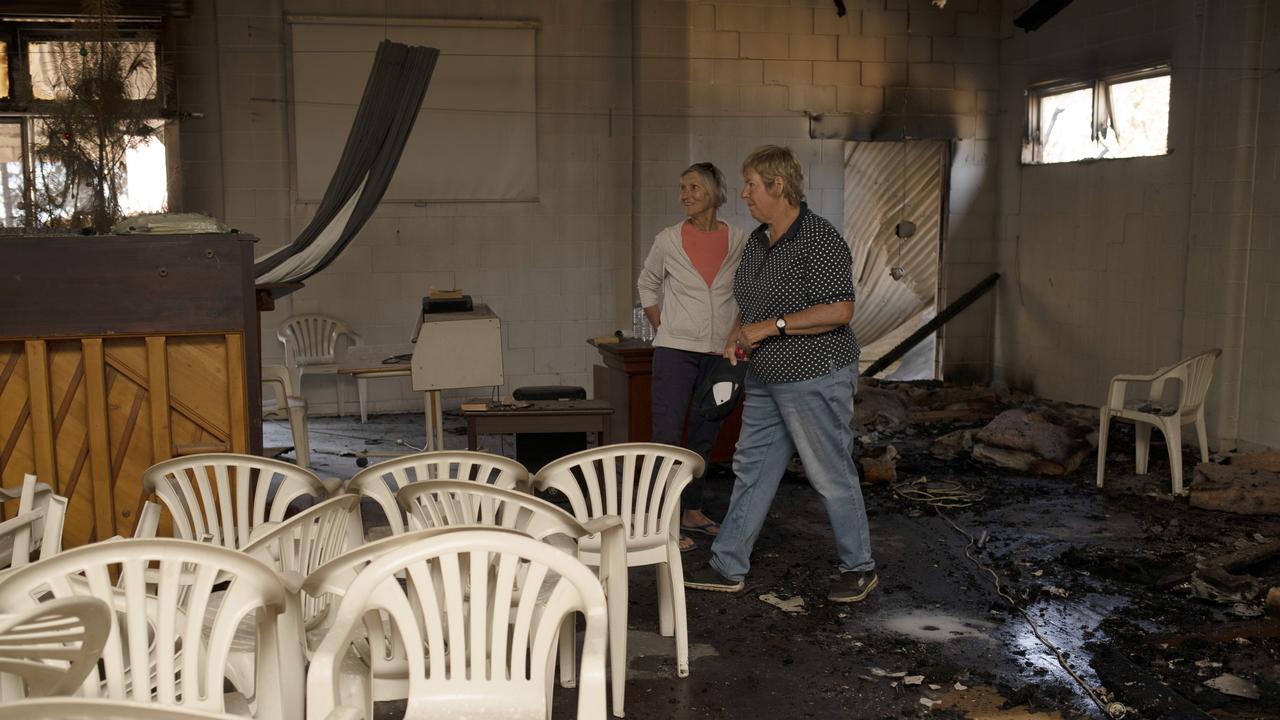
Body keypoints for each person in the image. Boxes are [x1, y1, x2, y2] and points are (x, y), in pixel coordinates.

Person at [684, 145, 878, 603]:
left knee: (829, 473)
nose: (745, 194)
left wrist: (772, 327)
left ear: (778, 186)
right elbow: (750, 302)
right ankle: (729, 564)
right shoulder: (758, 240)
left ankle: (860, 567)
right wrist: (737, 335)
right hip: (767, 377)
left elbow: (840, 309)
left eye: (752, 185)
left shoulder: (818, 238)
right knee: (751, 469)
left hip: (815, 374)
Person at [637, 162, 748, 552]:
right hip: (675, 352)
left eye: (694, 187)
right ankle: (662, 519)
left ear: (716, 193)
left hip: (720, 354)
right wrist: (663, 326)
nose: (685, 194)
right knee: (667, 436)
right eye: (682, 187)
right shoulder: (668, 240)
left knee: (705, 433)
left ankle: (692, 509)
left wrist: (735, 335)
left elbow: (746, 292)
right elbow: (646, 284)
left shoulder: (738, 240)